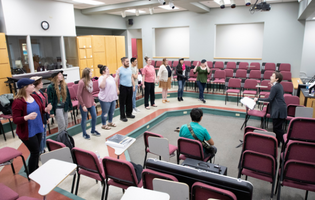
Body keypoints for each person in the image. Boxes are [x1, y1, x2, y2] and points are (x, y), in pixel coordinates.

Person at [12, 78, 52, 173]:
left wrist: (46, 109)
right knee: (35, 152)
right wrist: (26, 117)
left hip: (38, 128)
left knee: (36, 152)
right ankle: (32, 172)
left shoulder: (35, 97)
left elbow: (41, 109)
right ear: (25, 88)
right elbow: (15, 119)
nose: (33, 86)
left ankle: (35, 168)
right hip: (27, 131)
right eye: (31, 85)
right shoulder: (18, 102)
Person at [254, 72, 287, 146]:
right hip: (281, 109)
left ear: (277, 79)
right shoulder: (279, 85)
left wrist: (258, 99)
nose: (270, 77)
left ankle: (286, 142)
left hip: (278, 110)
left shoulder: (275, 87)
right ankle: (277, 143)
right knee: (277, 128)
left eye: (272, 76)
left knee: (277, 128)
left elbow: (270, 99)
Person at [77, 68, 101, 140]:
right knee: (84, 119)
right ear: (87, 73)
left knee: (94, 116)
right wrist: (83, 105)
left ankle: (93, 130)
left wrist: (93, 101)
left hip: (90, 103)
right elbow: (78, 95)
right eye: (90, 72)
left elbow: (90, 93)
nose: (92, 73)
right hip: (84, 104)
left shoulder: (90, 81)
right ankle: (84, 134)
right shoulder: (81, 82)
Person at [30, 76, 49, 154]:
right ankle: (40, 152)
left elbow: (45, 105)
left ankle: (43, 149)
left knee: (44, 135)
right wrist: (41, 122)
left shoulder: (40, 92)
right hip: (39, 118)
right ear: (36, 84)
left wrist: (47, 117)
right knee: (41, 136)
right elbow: (37, 109)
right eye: (40, 82)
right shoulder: (33, 94)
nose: (42, 83)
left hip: (44, 116)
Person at [98, 64, 118, 130]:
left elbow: (115, 81)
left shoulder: (110, 77)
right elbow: (102, 86)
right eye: (107, 69)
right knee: (105, 112)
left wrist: (117, 74)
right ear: (103, 71)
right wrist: (104, 78)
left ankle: (110, 122)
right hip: (105, 98)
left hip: (112, 97)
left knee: (112, 111)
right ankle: (103, 124)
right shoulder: (101, 78)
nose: (108, 70)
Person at [116, 57, 135, 122]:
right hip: (123, 87)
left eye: (128, 61)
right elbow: (116, 80)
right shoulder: (119, 69)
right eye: (127, 61)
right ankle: (122, 116)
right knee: (122, 103)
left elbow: (131, 77)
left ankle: (129, 114)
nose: (128, 63)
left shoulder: (129, 69)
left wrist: (133, 85)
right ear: (123, 62)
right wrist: (117, 89)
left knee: (129, 101)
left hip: (130, 87)